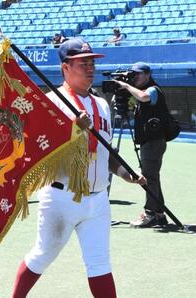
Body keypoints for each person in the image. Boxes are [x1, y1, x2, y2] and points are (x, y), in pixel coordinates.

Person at [11, 38, 146, 298]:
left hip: (98, 199)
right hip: (62, 196)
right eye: (82, 63)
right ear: (65, 68)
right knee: (41, 256)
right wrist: (71, 128)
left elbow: (106, 151)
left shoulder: (102, 105)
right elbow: (39, 151)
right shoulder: (51, 103)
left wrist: (124, 173)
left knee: (100, 264)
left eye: (91, 62)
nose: (90, 68)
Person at [114, 62, 170, 227]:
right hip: (150, 141)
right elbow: (135, 104)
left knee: (148, 178)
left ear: (147, 74)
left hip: (153, 142)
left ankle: (150, 213)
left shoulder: (152, 89)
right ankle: (159, 213)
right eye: (133, 74)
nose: (135, 77)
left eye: (137, 74)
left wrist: (126, 85)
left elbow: (144, 97)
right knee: (152, 178)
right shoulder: (140, 91)